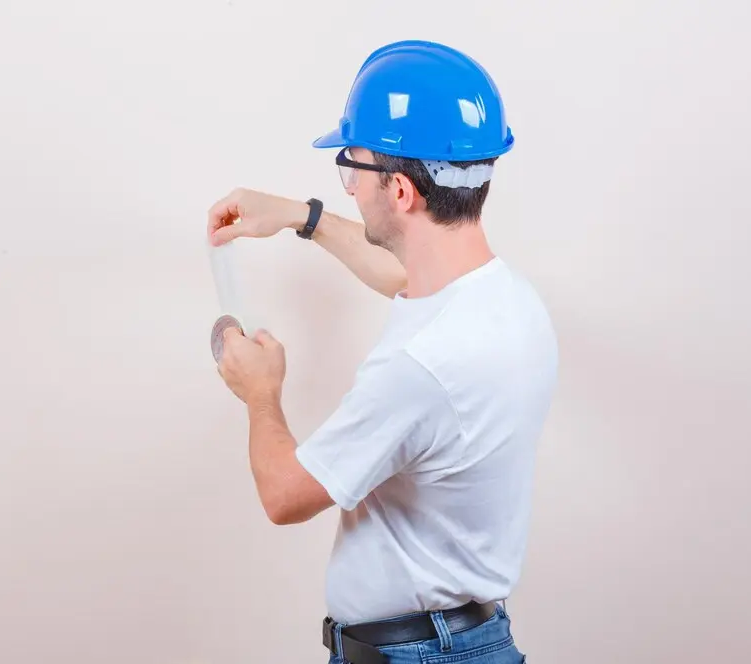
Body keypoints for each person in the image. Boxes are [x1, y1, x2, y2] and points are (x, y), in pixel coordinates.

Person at [207, 39, 558, 664]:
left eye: (352, 167)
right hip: (470, 641)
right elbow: (397, 274)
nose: (347, 187)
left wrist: (260, 394)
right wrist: (298, 216)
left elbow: (285, 495)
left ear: (399, 191)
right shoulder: (506, 302)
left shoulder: (422, 366)